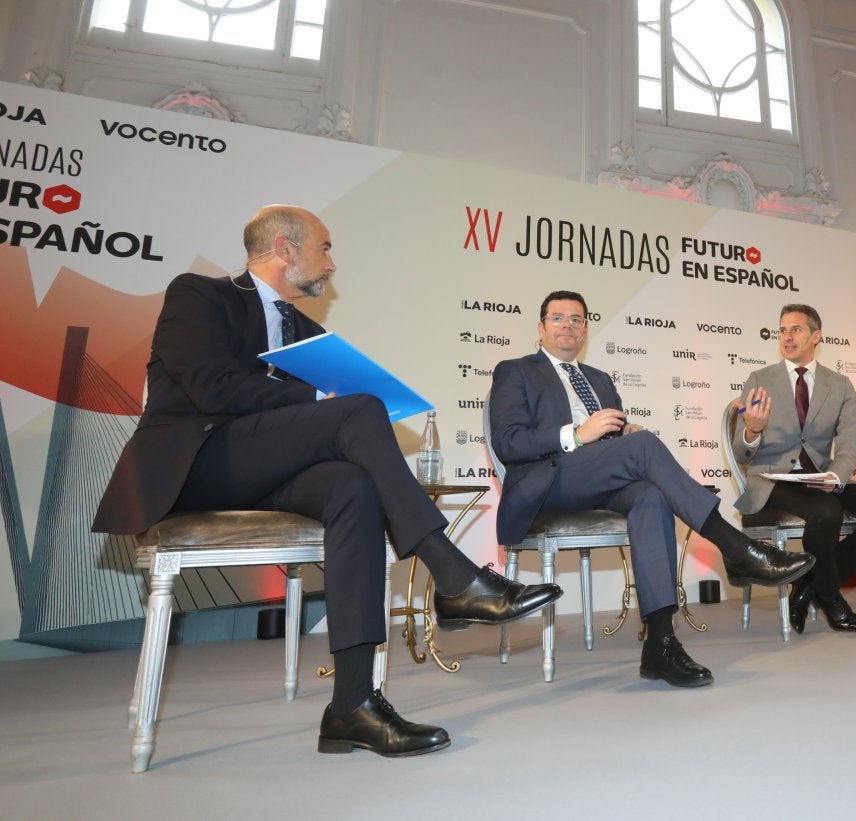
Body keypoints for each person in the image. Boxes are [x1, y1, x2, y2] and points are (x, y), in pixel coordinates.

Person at [93, 205, 562, 759]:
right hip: (196, 465)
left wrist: (333, 401)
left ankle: (352, 706)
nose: (332, 263)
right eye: (325, 248)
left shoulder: (307, 333)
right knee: (358, 409)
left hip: (266, 471)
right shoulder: (199, 294)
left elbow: (309, 419)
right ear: (284, 248)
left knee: (353, 489)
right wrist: (320, 399)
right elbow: (211, 388)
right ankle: (454, 577)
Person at [489, 291, 814, 687]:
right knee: (643, 448)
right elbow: (509, 443)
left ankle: (660, 644)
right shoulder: (515, 371)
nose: (567, 326)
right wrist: (576, 433)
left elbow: (611, 441)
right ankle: (736, 548)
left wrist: (624, 433)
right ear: (541, 328)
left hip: (598, 478)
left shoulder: (599, 380)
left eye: (576, 319)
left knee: (652, 496)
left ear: (586, 329)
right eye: (557, 318)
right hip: (548, 482)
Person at [730, 304, 856, 634]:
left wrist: (836, 476)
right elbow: (741, 451)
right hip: (772, 478)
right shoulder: (760, 379)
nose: (787, 337)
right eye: (782, 330)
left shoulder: (839, 385)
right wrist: (752, 429)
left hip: (820, 477)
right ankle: (830, 598)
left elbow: (849, 441)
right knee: (826, 511)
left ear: (816, 336)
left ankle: (808, 585)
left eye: (796, 329)